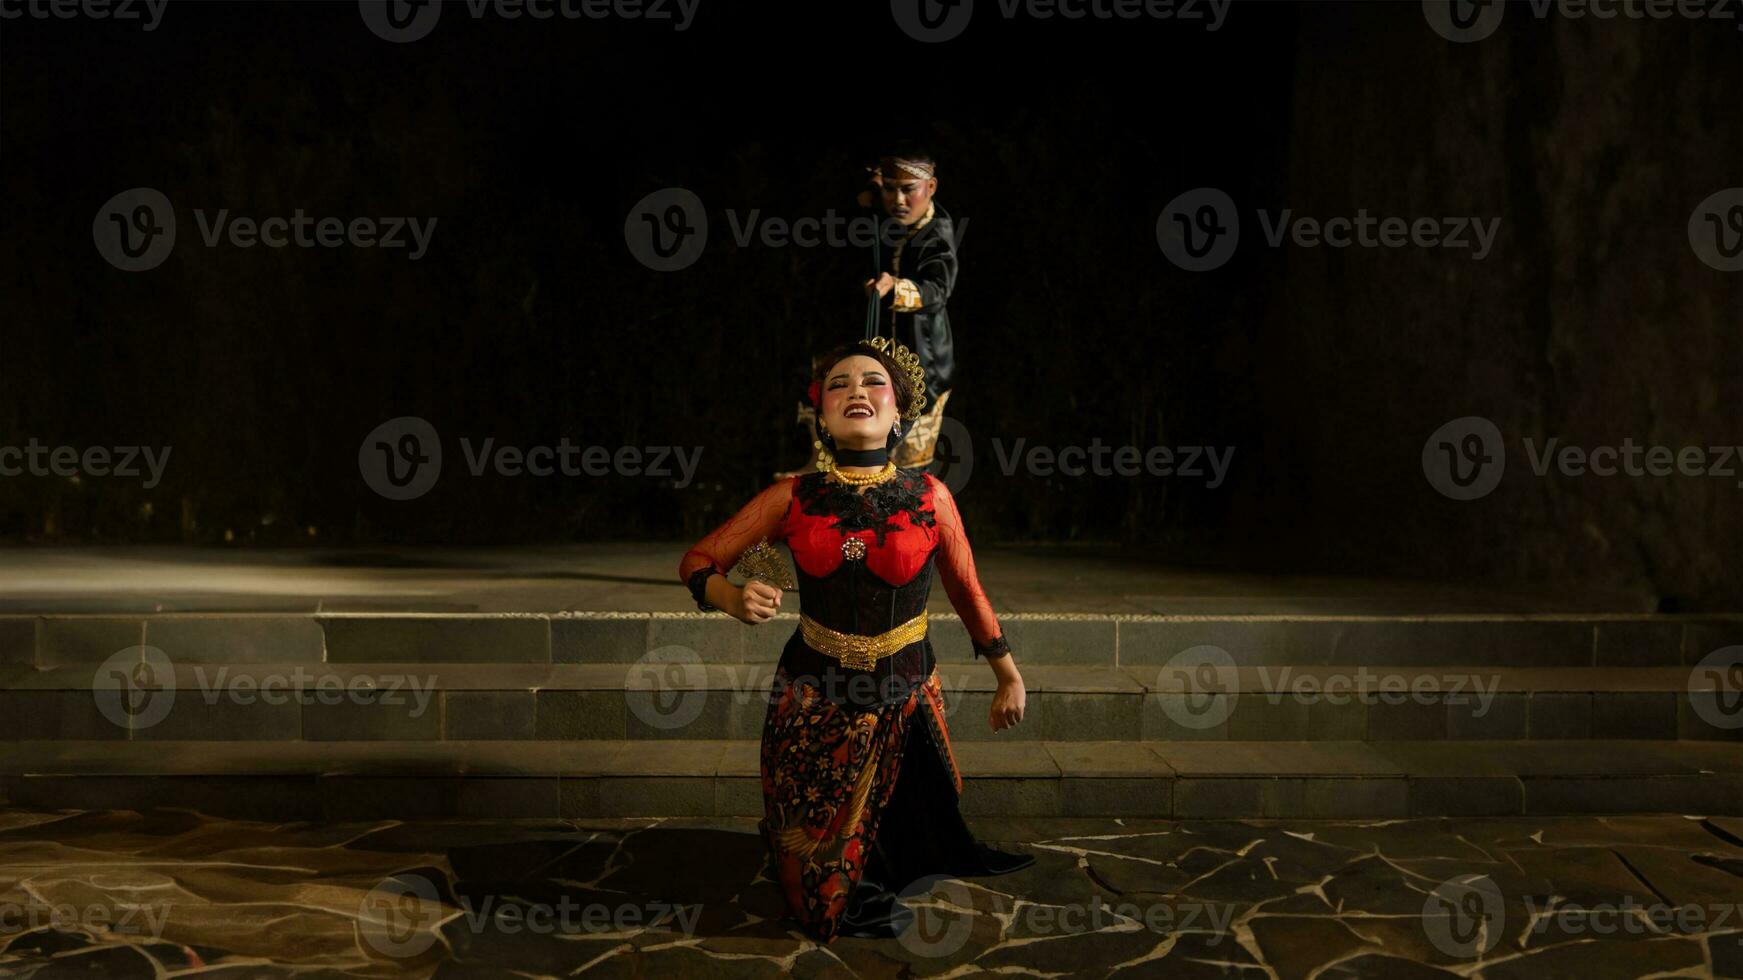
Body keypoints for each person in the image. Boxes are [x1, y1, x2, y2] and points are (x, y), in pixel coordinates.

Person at [682, 337, 1032, 943]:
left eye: (873, 382)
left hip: (905, 688)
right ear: (821, 415)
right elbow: (697, 560)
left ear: (899, 412)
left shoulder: (930, 498)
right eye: (837, 385)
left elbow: (968, 589)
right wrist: (733, 598)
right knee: (817, 908)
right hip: (812, 699)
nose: (855, 392)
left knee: (911, 832)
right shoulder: (790, 496)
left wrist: (1008, 673)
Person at [775, 143, 961, 478]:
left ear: (930, 188)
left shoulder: (938, 232)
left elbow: (938, 289)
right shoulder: (883, 214)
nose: (899, 201)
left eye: (908, 190)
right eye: (890, 189)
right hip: (876, 348)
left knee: (904, 455)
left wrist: (898, 287)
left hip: (922, 360)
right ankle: (821, 471)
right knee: (820, 383)